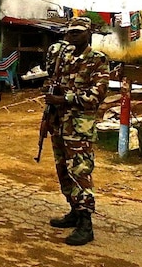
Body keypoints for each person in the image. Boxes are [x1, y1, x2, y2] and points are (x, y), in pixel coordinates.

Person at [42, 16, 110, 246]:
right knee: (63, 170)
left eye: (77, 33)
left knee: (80, 172)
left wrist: (64, 98)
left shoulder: (97, 60)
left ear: (88, 34)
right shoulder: (65, 58)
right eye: (70, 33)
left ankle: (85, 224)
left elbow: (95, 97)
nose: (72, 37)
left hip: (78, 127)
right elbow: (55, 81)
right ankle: (73, 210)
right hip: (59, 124)